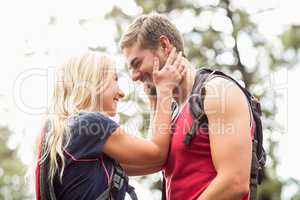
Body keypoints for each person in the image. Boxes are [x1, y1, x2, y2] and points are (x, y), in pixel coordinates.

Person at [120, 13, 253, 200]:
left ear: (165, 46)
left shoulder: (217, 91)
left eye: (137, 63)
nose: (133, 76)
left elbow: (235, 181)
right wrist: (155, 101)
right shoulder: (173, 112)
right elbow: (154, 157)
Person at [35, 51, 185, 200]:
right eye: (115, 79)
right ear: (94, 81)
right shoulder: (90, 125)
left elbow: (154, 163)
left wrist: (154, 99)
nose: (121, 93)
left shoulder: (69, 133)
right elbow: (157, 155)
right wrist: (165, 89)